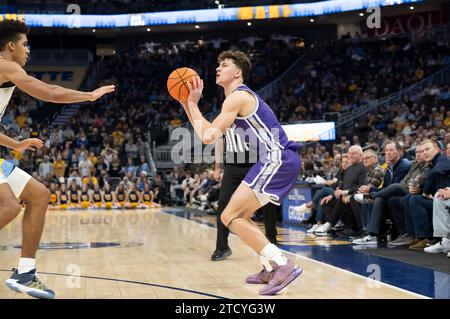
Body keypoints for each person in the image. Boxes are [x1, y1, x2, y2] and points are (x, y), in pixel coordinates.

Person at [0, 19, 114, 299]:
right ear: (11, 45)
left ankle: (26, 273)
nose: (28, 50)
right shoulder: (6, 65)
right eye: (25, 44)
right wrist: (88, 95)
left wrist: (15, 143)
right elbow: (49, 92)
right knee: (10, 206)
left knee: (39, 195)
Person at [179, 50, 302, 295]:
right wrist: (188, 104)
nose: (217, 68)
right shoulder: (234, 99)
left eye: (223, 65)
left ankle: (281, 264)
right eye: (217, 65)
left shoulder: (238, 97)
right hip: (277, 160)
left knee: (230, 215)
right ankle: (269, 266)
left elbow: (207, 136)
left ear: (238, 72)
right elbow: (209, 133)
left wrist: (192, 104)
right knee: (237, 217)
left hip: (276, 158)